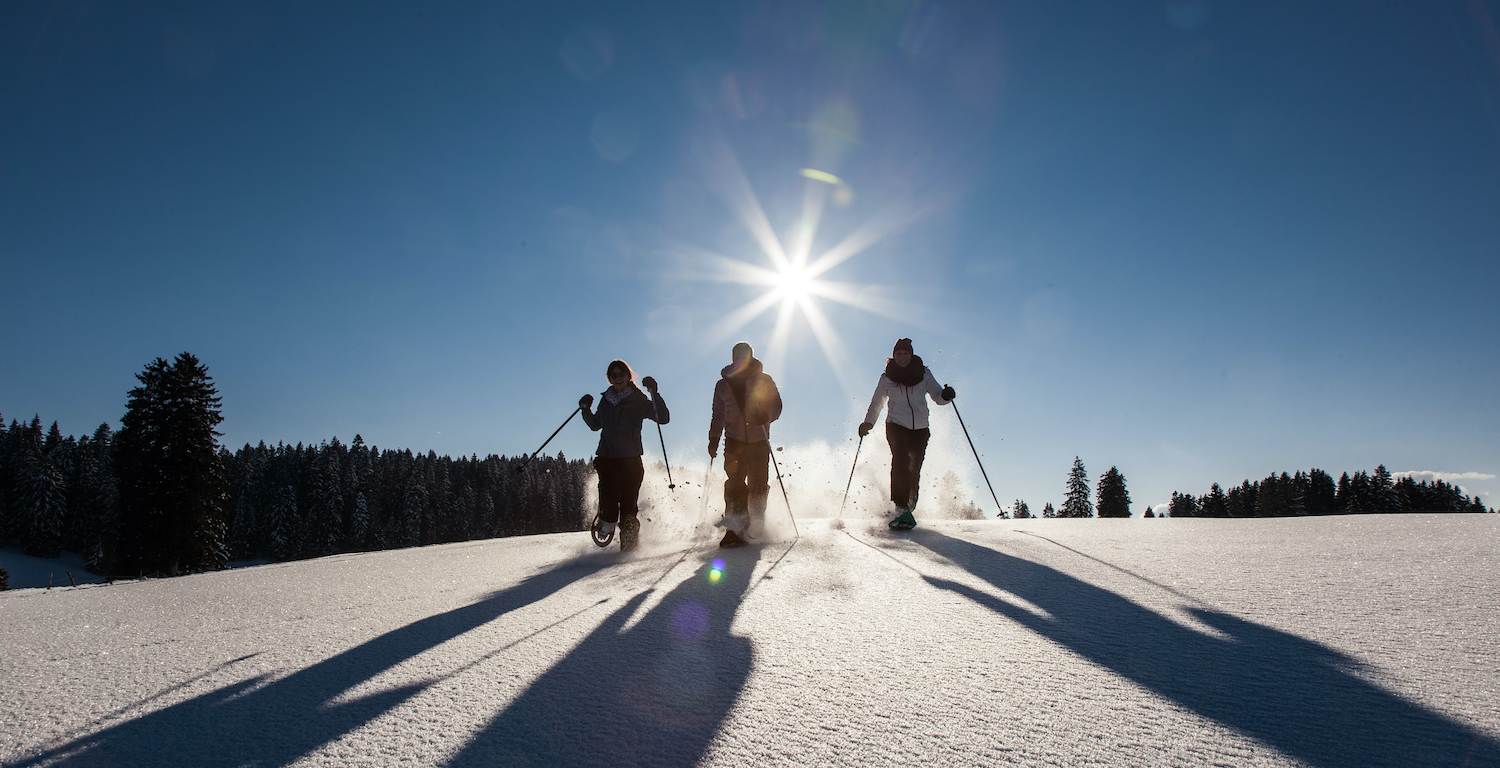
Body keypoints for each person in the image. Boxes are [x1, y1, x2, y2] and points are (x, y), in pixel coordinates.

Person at [859, 338, 955, 530]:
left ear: (911, 355)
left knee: (914, 467)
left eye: (906, 353)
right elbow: (877, 402)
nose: (902, 357)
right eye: (899, 354)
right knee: (901, 460)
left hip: (920, 429)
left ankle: (909, 507)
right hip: (896, 425)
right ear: (893, 356)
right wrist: (868, 422)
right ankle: (900, 507)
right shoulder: (887, 377)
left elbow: (937, 395)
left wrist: (946, 396)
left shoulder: (923, 373)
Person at [580, 359, 669, 552]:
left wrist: (655, 393)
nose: (618, 378)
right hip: (607, 458)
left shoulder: (638, 399)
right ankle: (606, 524)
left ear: (629, 376)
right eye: (614, 375)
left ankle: (629, 549)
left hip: (630, 460)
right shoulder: (605, 401)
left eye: (622, 374)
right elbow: (596, 425)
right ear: (609, 379)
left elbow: (662, 418)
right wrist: (585, 410)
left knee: (629, 506)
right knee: (608, 497)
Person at [707, 341, 783, 548]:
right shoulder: (722, 385)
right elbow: (718, 415)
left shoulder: (764, 380)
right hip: (734, 440)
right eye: (737, 355)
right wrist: (714, 439)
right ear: (732, 358)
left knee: (758, 485)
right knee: (735, 482)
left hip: (759, 439)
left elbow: (776, 405)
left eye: (744, 355)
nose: (740, 359)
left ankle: (757, 523)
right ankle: (734, 527)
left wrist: (765, 415)